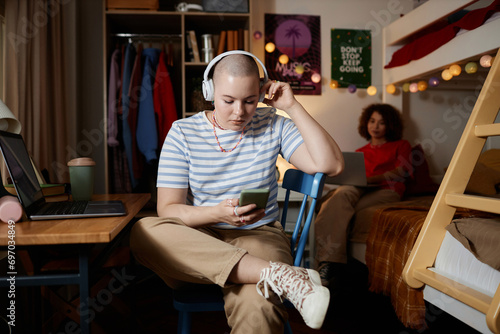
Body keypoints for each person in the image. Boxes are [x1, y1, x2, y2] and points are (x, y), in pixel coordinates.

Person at [130, 51, 344, 332]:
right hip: (197, 242)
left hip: (259, 235)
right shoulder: (182, 132)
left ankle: (270, 275)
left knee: (259, 305)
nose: (239, 112)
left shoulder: (272, 123)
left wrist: (291, 106)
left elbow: (332, 164)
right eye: (228, 101)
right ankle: (279, 275)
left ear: (262, 93)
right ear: (210, 92)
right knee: (142, 231)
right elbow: (168, 210)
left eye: (250, 100)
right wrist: (216, 213)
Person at [314, 103, 412, 287]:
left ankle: (329, 263)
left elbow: (401, 172)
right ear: (366, 123)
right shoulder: (360, 153)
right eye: (372, 121)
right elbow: (355, 179)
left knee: (339, 210)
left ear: (390, 125)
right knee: (342, 194)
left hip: (387, 189)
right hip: (360, 187)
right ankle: (329, 262)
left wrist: (373, 179)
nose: (375, 126)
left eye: (381, 123)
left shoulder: (401, 145)